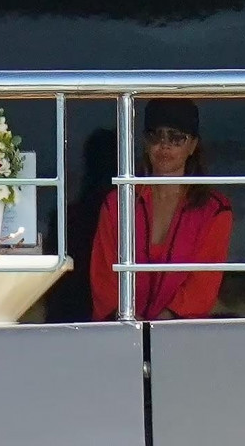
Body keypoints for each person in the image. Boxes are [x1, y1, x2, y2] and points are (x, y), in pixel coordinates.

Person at [90, 98, 233, 321]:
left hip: (182, 333)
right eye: (156, 135)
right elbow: (103, 277)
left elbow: (203, 286)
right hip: (121, 330)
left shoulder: (215, 211)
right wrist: (131, 324)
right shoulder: (117, 203)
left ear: (193, 145)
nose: (165, 145)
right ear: (145, 142)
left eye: (176, 138)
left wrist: (160, 328)